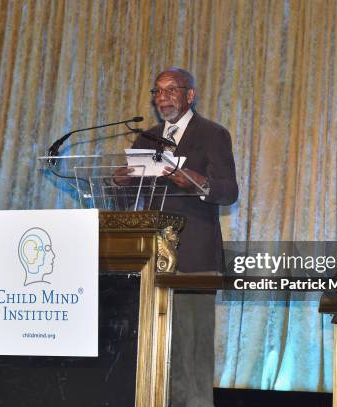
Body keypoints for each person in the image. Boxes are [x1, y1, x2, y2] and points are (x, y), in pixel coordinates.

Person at [117, 67, 238, 406]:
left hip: (195, 257)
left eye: (171, 90)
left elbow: (229, 191)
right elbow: (131, 200)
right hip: (151, 259)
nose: (163, 97)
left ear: (189, 95)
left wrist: (199, 182)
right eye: (158, 91)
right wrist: (120, 183)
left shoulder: (212, 134)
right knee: (158, 343)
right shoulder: (148, 138)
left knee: (194, 345)